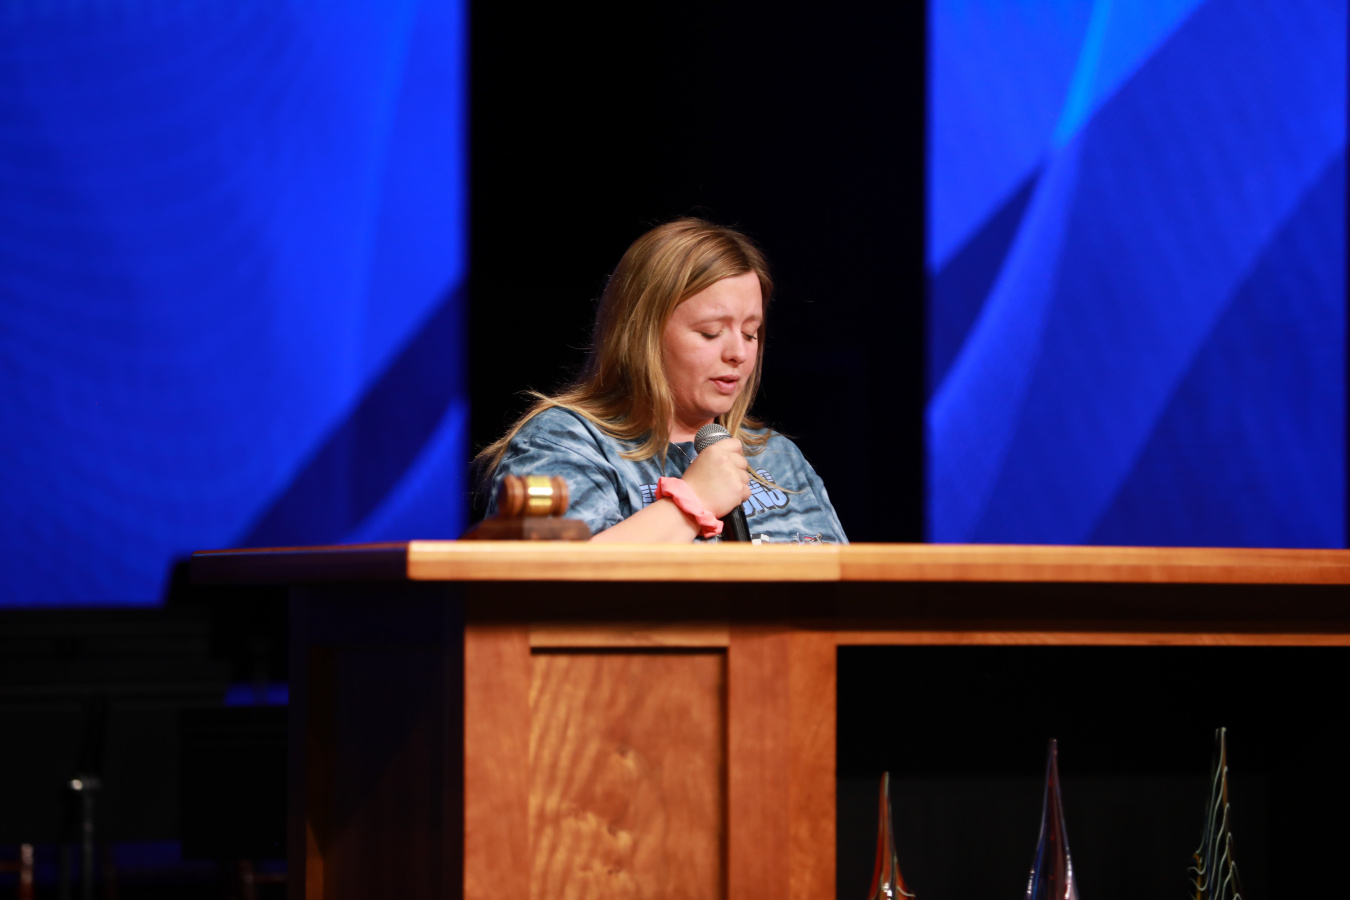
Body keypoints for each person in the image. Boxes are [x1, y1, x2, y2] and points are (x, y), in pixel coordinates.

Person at [476, 218, 846, 544]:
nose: (739, 352)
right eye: (711, 332)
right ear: (643, 335)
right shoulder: (568, 442)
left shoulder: (777, 456)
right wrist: (691, 502)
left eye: (751, 333)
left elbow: (845, 584)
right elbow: (553, 585)